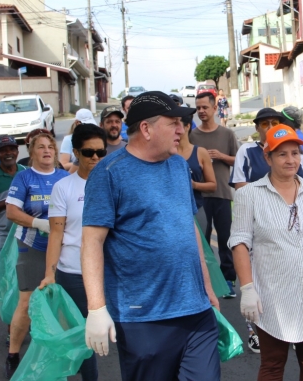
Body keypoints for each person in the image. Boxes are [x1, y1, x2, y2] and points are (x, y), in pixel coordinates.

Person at [82, 91, 220, 381]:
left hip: (194, 308)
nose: (182, 130)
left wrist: (206, 286)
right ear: (146, 128)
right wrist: (96, 308)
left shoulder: (180, 166)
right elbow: (92, 241)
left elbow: (189, 226)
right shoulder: (109, 173)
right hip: (143, 315)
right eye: (174, 123)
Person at [229, 124, 303, 381]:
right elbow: (239, 243)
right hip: (272, 296)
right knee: (272, 365)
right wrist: (247, 289)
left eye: (295, 153)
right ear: (267, 156)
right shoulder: (249, 195)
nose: (290, 160)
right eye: (282, 154)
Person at [39, 124, 107, 381]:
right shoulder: (63, 187)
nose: (95, 159)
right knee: (83, 335)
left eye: (101, 153)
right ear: (76, 152)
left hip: (110, 273)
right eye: (89, 152)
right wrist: (50, 274)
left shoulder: (115, 184)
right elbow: (56, 234)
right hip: (74, 273)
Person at [4, 130, 69, 378]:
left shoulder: (64, 177)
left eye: (50, 147)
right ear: (31, 152)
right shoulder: (24, 178)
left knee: (61, 302)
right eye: (41, 147)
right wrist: (37, 223)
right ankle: (13, 354)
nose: (47, 151)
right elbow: (11, 212)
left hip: (63, 249)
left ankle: (60, 352)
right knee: (27, 302)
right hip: (32, 246)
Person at [190, 91, 239, 297]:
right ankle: (204, 282)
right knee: (200, 242)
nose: (201, 111)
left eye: (204, 108)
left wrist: (221, 156)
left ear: (213, 108)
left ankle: (228, 280)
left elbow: (238, 160)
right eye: (198, 108)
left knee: (226, 239)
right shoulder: (192, 136)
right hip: (198, 197)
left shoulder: (226, 134)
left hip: (221, 193)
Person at [231, 108, 303, 189]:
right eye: (265, 124)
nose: (270, 127)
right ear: (257, 128)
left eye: (274, 123)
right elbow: (239, 185)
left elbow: (302, 184)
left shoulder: (289, 150)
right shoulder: (246, 150)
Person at [176, 114, 216, 231]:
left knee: (201, 247)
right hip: (174, 210)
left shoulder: (200, 152)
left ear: (187, 126)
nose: (175, 129)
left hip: (197, 208)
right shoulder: (168, 152)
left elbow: (212, 185)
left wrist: (194, 185)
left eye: (177, 124)